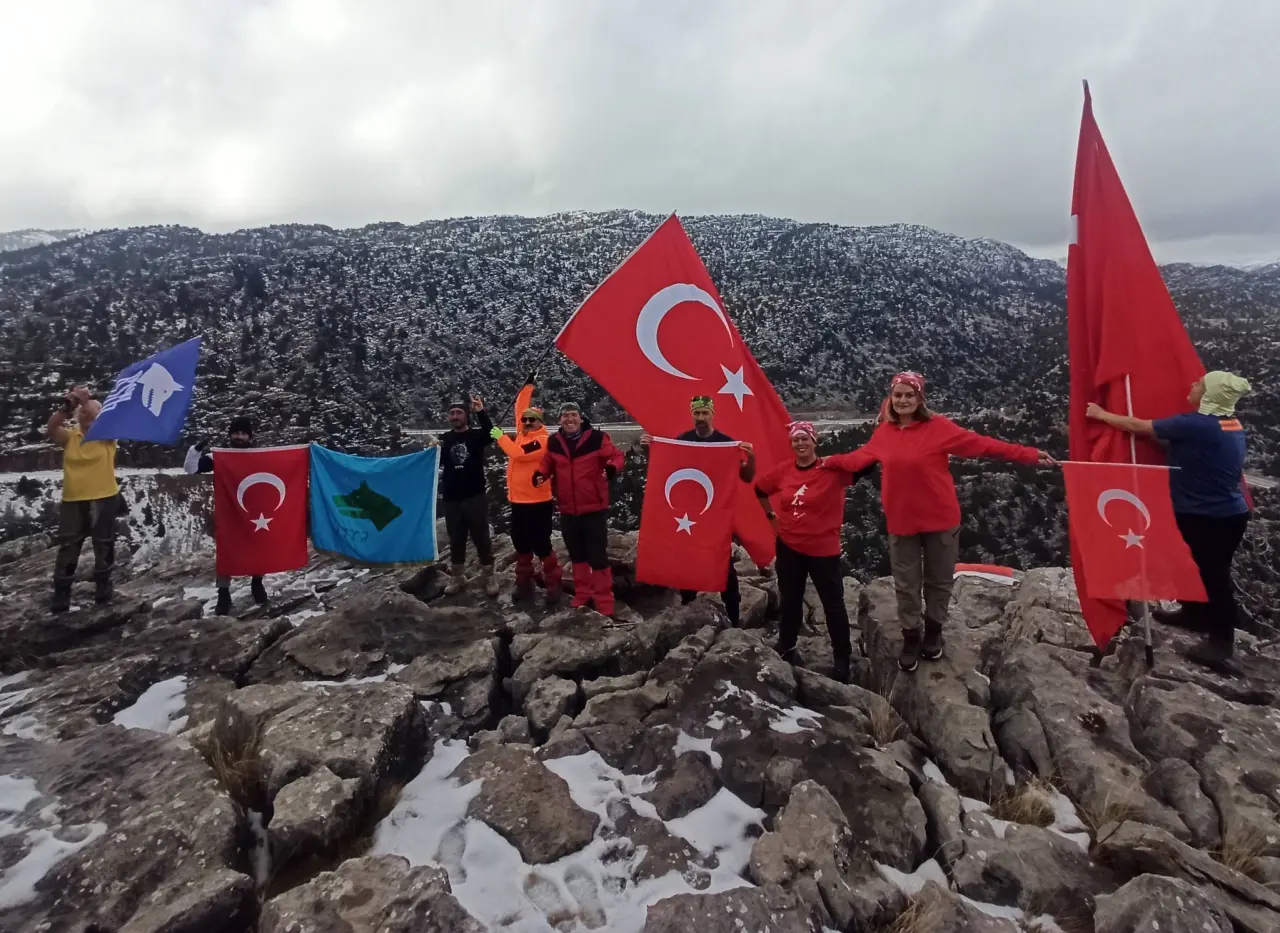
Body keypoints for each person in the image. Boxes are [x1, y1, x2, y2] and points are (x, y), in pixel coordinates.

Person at [821, 372, 1053, 672]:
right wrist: (825, 461)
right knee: (906, 583)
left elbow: (983, 445)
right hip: (902, 521)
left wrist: (1029, 455)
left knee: (939, 580)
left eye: (909, 394)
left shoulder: (939, 428)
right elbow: (858, 459)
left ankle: (933, 631)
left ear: (920, 398)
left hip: (940, 518)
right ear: (891, 398)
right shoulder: (884, 433)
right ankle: (911, 635)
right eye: (898, 394)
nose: (903, 400)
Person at [1087, 371, 1253, 666]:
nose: (1193, 385)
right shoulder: (1229, 423)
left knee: (1214, 577)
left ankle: (1221, 641)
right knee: (1187, 565)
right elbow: (1195, 449)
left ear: (1210, 395)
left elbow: (1141, 425)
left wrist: (1102, 415)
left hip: (1210, 517)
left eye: (1200, 384)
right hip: (1222, 513)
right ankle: (1193, 613)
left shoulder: (1197, 424)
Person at [754, 421, 872, 683]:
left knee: (833, 604)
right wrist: (772, 517)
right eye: (796, 440)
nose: (800, 444)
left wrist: (837, 459)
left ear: (814, 442)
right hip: (789, 546)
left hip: (823, 550)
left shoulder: (831, 471)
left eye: (805, 439)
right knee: (790, 600)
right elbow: (760, 489)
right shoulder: (784, 471)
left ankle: (842, 658)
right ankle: (787, 646)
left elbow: (867, 464)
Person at [641, 395, 755, 625]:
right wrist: (649, 450)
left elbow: (747, 476)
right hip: (687, 515)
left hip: (715, 517)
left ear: (713, 414)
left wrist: (750, 458)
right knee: (687, 563)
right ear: (691, 415)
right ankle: (688, 612)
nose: (701, 417)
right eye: (697, 413)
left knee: (724, 566)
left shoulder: (725, 443)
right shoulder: (683, 441)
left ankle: (734, 618)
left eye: (705, 413)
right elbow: (665, 466)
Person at [533, 402, 624, 616]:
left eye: (573, 414)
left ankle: (604, 599)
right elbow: (547, 463)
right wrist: (540, 474)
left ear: (581, 418)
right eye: (565, 415)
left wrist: (612, 468)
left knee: (597, 556)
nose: (570, 419)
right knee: (577, 555)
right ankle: (582, 594)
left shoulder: (597, 438)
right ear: (560, 420)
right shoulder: (554, 442)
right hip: (568, 509)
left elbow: (617, 456)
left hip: (594, 507)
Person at [47, 386, 120, 613]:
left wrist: (85, 400)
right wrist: (67, 407)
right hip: (74, 498)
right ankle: (61, 595)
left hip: (103, 497)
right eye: (83, 412)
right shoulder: (71, 436)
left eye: (91, 411)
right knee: (68, 547)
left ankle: (103, 589)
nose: (86, 414)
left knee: (104, 544)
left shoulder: (107, 436)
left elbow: (102, 418)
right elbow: (51, 428)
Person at [491, 380, 563, 605]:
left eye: (533, 419)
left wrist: (500, 437)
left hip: (538, 501)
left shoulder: (542, 441)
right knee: (520, 541)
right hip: (518, 500)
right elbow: (520, 408)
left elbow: (518, 454)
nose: (528, 422)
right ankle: (524, 580)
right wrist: (528, 386)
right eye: (526, 420)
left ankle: (553, 582)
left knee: (541, 543)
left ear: (541, 422)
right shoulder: (522, 433)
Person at [197, 416, 269, 616]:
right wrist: (196, 450)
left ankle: (257, 583)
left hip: (254, 512)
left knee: (257, 548)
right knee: (226, 552)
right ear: (230, 435)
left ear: (249, 437)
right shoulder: (218, 456)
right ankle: (223, 593)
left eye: (243, 433)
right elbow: (191, 468)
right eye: (236, 433)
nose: (239, 437)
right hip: (228, 512)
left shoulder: (259, 456)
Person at [439, 393, 497, 597]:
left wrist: (481, 411)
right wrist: (430, 452)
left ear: (466, 416)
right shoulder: (444, 439)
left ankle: (489, 575)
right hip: (452, 498)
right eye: (452, 413)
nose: (455, 416)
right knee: (456, 539)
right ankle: (457, 576)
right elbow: (436, 462)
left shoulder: (476, 436)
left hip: (475, 496)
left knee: (482, 538)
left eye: (459, 413)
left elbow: (492, 433)